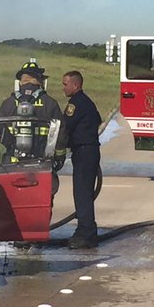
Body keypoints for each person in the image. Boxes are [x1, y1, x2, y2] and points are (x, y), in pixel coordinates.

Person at [0, 60, 66, 166]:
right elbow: (60, 132)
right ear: (39, 80)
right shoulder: (50, 103)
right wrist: (60, 156)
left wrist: (11, 146)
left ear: (21, 81)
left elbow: (0, 129)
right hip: (41, 162)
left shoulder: (8, 103)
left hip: (13, 162)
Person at [60, 70, 101, 250]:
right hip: (89, 151)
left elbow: (65, 125)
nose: (63, 88)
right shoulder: (87, 101)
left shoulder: (75, 104)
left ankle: (86, 234)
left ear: (75, 85)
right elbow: (98, 119)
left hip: (83, 151)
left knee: (82, 194)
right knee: (85, 193)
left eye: (65, 84)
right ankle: (85, 231)